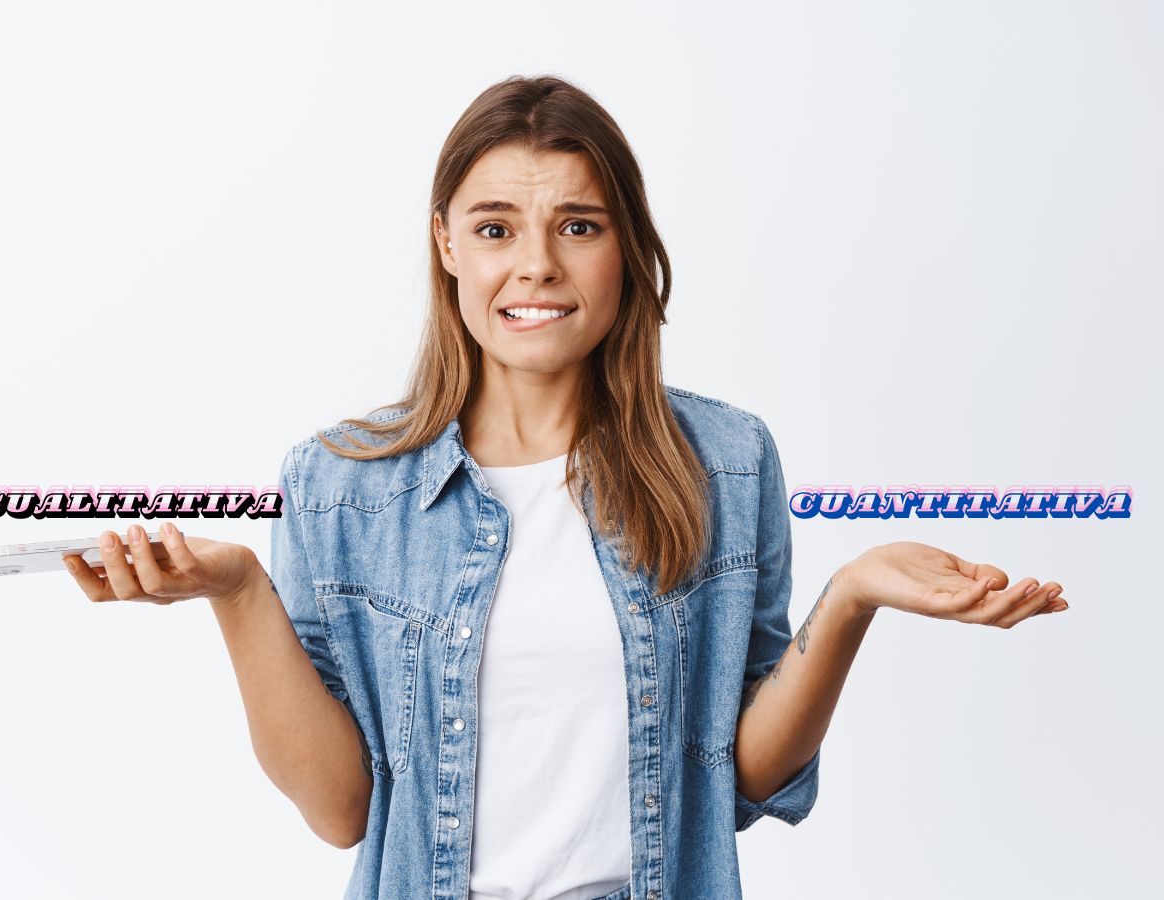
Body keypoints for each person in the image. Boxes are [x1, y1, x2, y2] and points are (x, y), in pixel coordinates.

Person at [64, 74, 1069, 900]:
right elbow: (341, 813)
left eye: (578, 226)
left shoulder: (727, 462)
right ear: (446, 244)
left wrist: (849, 599)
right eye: (496, 229)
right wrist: (240, 593)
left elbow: (743, 777)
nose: (537, 266)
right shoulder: (338, 484)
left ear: (626, 244)